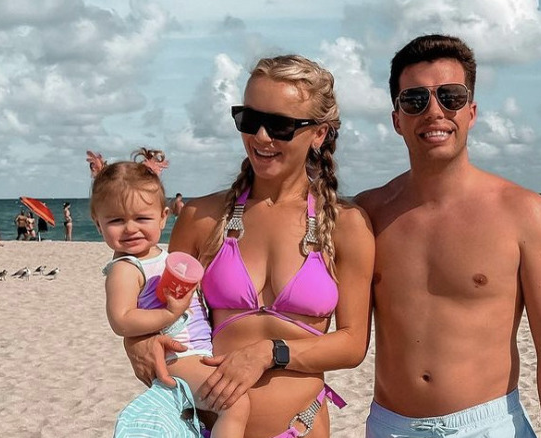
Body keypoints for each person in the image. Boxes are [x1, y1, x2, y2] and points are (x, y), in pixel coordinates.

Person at [123, 55, 374, 437]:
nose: (260, 136)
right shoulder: (201, 217)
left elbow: (353, 344)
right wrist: (137, 341)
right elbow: (162, 307)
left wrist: (269, 352)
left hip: (300, 429)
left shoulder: (345, 225)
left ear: (319, 133)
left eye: (280, 125)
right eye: (249, 119)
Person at [354, 35, 541, 437]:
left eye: (451, 97)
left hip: (488, 425)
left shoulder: (524, 212)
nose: (434, 112)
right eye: (415, 100)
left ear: (471, 112)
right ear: (396, 119)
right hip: (390, 426)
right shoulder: (368, 213)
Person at [88, 148, 250, 436]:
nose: (130, 229)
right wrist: (169, 313)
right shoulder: (125, 267)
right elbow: (121, 320)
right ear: (97, 223)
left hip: (196, 352)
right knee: (234, 404)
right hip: (177, 359)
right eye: (115, 220)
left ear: (163, 218)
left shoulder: (162, 257)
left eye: (142, 218)